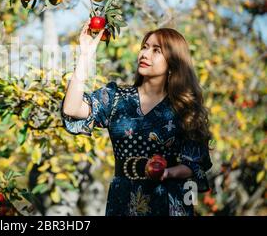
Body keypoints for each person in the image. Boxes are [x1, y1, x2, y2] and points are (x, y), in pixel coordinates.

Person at [61, 24, 213, 216]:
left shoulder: (184, 109)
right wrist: (85, 57)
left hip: (167, 201)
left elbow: (194, 164)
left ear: (173, 62)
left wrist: (168, 173)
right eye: (145, 47)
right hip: (122, 200)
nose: (145, 54)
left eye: (156, 50)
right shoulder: (116, 97)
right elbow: (72, 108)